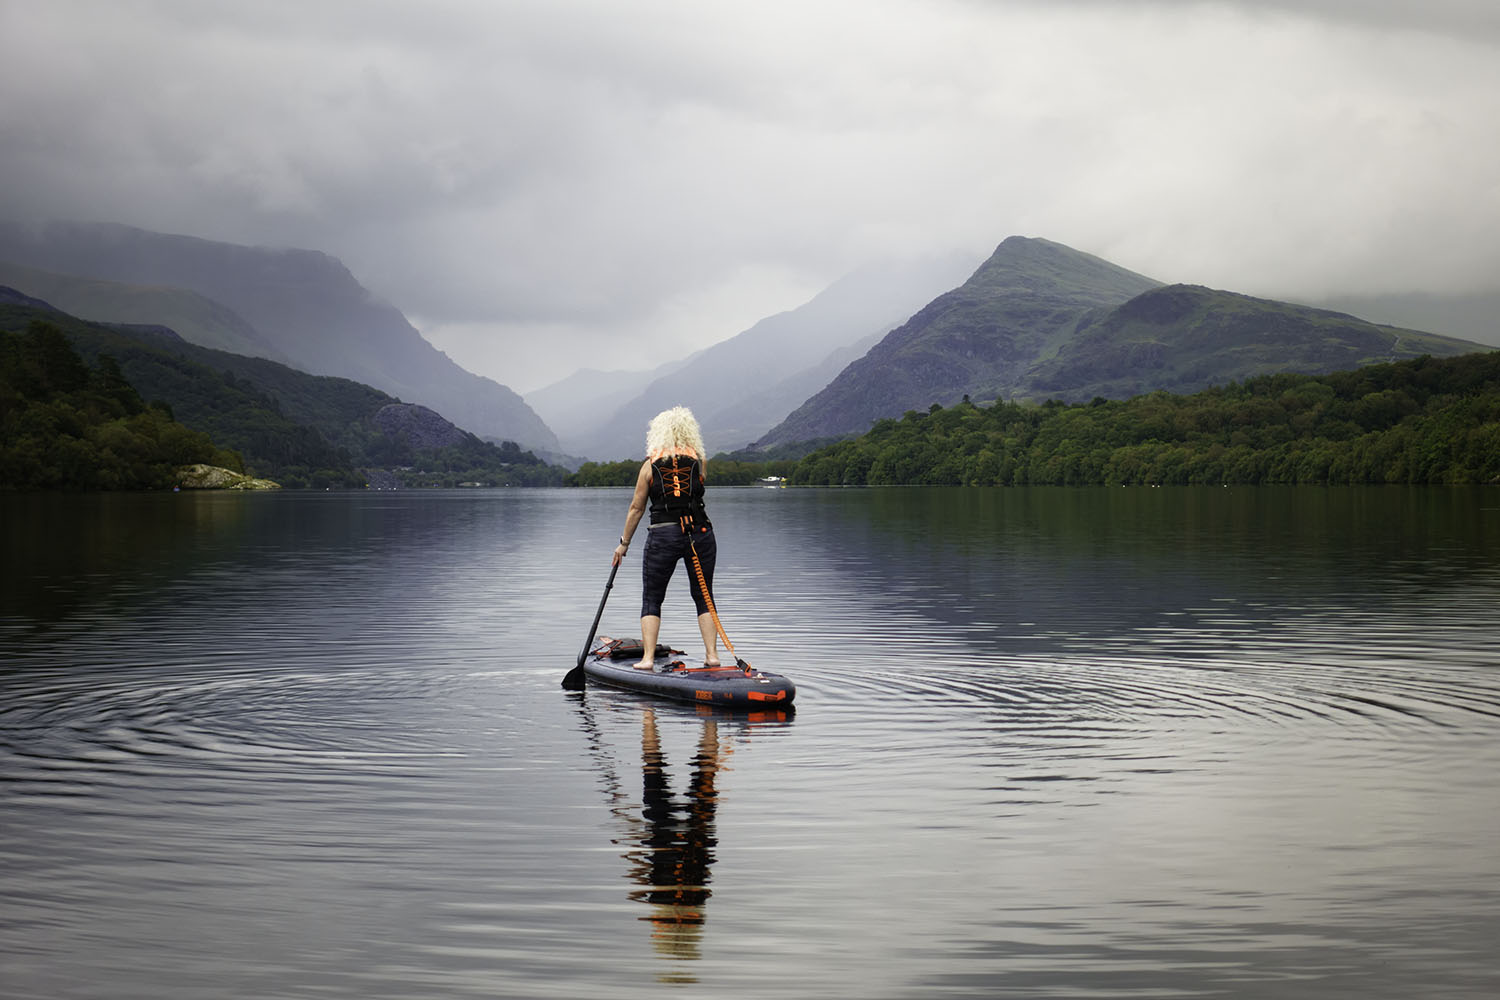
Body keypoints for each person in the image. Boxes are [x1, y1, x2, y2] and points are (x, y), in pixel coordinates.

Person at [612, 406, 720, 669]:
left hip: (663, 535)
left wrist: (623, 544)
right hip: (700, 533)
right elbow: (696, 489)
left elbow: (636, 508)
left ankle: (647, 659)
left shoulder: (649, 466)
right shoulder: (699, 461)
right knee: (704, 596)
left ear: (657, 434)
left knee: (652, 597)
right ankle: (712, 656)